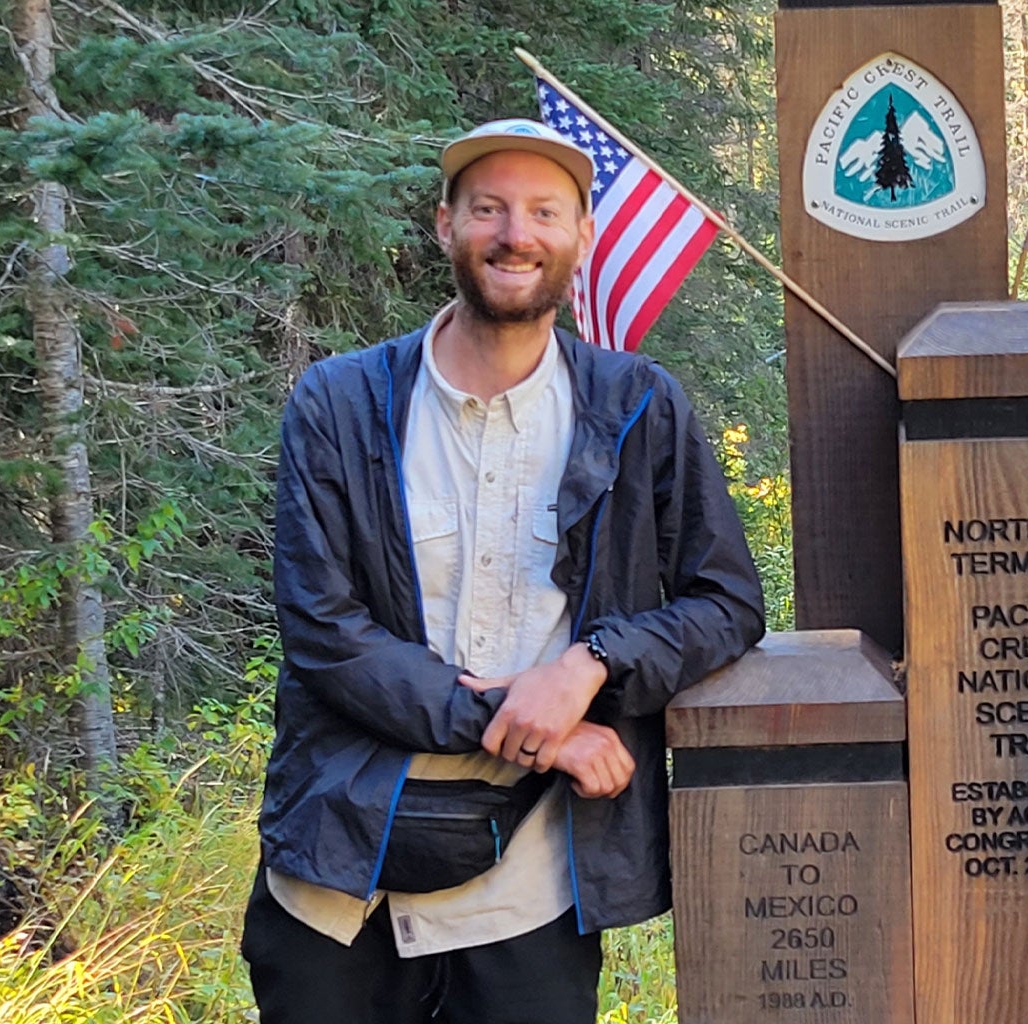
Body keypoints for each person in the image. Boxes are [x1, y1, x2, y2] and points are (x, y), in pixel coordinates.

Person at [242, 118, 765, 1023]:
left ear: (581, 239)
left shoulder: (639, 407)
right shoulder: (340, 402)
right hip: (339, 867)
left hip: (530, 882)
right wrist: (531, 727)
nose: (515, 234)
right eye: (488, 208)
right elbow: (324, 631)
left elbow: (726, 602)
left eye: (543, 212)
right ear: (446, 225)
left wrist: (590, 662)